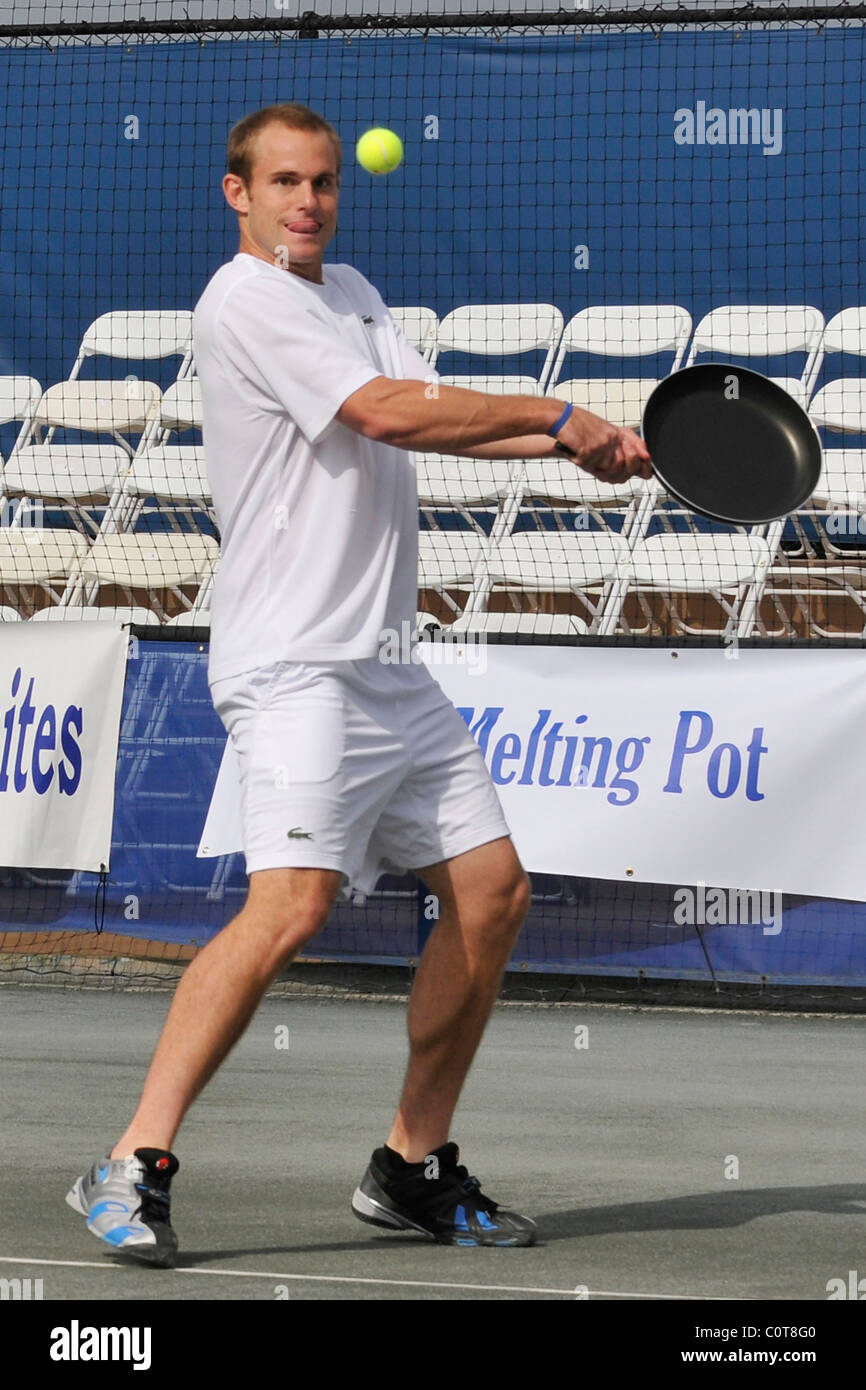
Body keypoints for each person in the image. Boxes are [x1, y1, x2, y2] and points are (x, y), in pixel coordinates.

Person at [66, 103, 652, 1264]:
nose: (307, 202)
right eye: (283, 182)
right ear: (235, 193)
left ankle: (411, 1167)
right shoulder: (242, 302)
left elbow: (421, 425)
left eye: (323, 182)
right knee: (290, 904)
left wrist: (572, 444)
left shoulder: (354, 294)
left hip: (387, 664)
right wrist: (553, 409)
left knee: (489, 894)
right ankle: (129, 1161)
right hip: (293, 666)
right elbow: (378, 409)